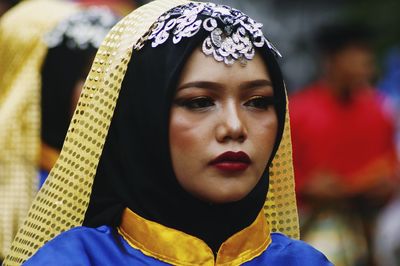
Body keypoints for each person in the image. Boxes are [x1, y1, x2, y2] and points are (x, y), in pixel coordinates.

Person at [4, 1, 332, 265]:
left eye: (259, 102)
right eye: (200, 101)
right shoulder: (75, 261)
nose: (234, 126)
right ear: (143, 118)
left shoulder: (304, 261)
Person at [0, 0, 118, 261]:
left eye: (114, 74)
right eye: (88, 75)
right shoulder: (14, 183)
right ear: (56, 83)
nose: (106, 90)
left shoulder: (128, 172)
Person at [290, 23, 399, 265]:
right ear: (331, 60)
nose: (366, 62)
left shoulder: (378, 108)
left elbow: (390, 164)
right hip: (314, 219)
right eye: (356, 54)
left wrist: (387, 183)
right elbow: (280, 174)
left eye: (366, 53)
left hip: (372, 217)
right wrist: (307, 186)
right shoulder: (299, 111)